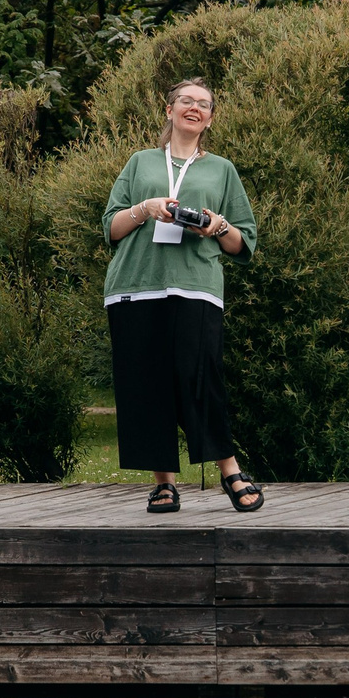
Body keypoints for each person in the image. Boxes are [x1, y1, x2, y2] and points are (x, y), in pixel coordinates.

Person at [102, 79, 263, 514]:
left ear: (210, 118)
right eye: (187, 101)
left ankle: (229, 469)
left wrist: (217, 226)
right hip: (135, 287)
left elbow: (243, 242)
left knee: (201, 380)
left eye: (204, 104)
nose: (195, 108)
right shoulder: (140, 162)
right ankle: (163, 484)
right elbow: (110, 229)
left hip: (196, 286)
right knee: (146, 386)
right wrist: (146, 208)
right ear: (169, 110)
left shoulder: (222, 170)